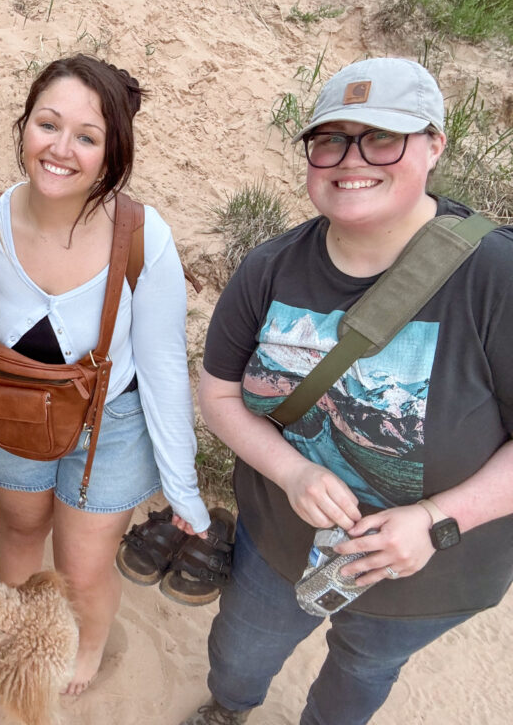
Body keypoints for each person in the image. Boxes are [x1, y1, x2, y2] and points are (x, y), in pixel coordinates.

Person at [186, 57, 513, 725]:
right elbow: (217, 396)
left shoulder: (495, 279)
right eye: (331, 139)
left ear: (434, 145)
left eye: (381, 138)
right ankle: (228, 709)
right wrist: (293, 472)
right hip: (280, 539)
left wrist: (436, 520)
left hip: (425, 573)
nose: (351, 159)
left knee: (362, 672)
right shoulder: (270, 268)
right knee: (242, 651)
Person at [0, 54, 210, 695]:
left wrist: (183, 489)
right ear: (24, 126)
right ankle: (20, 631)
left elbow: (164, 368)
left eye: (87, 137)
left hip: (109, 427)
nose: (61, 149)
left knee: (83, 566)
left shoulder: (142, 236)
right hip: (7, 410)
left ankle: (86, 646)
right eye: (48, 125)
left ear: (111, 152)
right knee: (20, 528)